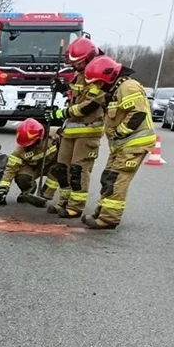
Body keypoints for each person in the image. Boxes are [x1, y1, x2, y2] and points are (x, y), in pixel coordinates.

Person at [80, 56, 157, 229]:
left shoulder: (128, 87)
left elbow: (137, 114)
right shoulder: (115, 88)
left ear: (107, 76)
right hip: (122, 144)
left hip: (134, 143)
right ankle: (102, 211)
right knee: (108, 177)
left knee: (116, 180)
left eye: (99, 82)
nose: (98, 86)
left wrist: (119, 133)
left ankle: (108, 219)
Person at [45, 37, 107, 218]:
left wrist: (63, 113)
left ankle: (76, 206)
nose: (75, 66)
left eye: (78, 63)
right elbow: (76, 96)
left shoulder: (98, 74)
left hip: (88, 131)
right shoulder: (80, 74)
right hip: (70, 130)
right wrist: (64, 89)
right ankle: (63, 202)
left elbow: (90, 104)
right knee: (62, 168)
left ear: (88, 58)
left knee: (78, 170)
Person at [0, 117, 59, 206]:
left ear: (40, 137)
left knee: (59, 170)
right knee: (22, 178)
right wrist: (2, 190)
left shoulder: (56, 134)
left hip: (54, 165)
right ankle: (28, 191)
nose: (29, 146)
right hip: (34, 167)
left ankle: (45, 195)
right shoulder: (20, 149)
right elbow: (10, 169)